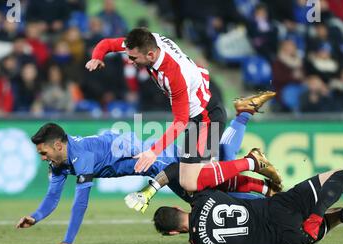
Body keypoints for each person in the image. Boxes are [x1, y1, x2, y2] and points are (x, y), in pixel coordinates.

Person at [85, 27, 277, 214]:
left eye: (133, 58)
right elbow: (108, 44)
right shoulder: (147, 42)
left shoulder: (173, 74)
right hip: (198, 112)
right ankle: (244, 118)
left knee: (195, 183)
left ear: (150, 55)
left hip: (206, 118)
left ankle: (252, 162)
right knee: (199, 180)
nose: (130, 60)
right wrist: (97, 56)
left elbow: (180, 121)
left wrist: (153, 152)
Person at [15, 117, 281, 244]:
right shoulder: (60, 161)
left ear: (58, 145)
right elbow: (53, 196)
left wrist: (68, 241)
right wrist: (35, 217)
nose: (42, 158)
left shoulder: (80, 157)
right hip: (158, 158)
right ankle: (240, 118)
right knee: (216, 166)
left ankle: (258, 175)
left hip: (161, 163)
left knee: (209, 201)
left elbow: (80, 203)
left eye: (44, 152)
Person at [153, 170, 343, 244]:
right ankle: (317, 214)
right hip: (279, 208)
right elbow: (232, 183)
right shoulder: (203, 198)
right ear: (176, 206)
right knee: (341, 174)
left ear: (173, 233)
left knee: (337, 216)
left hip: (287, 238)